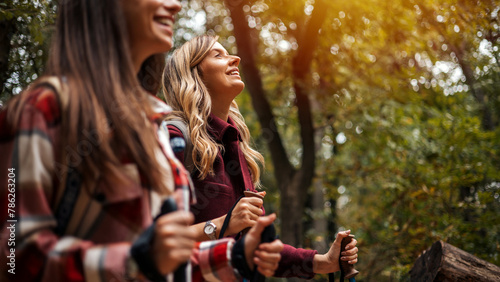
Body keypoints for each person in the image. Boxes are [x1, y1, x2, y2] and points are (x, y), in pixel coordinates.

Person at [0, 1, 284, 281]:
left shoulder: (155, 124)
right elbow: (12, 258)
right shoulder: (41, 110)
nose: (174, 5)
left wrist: (235, 258)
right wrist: (139, 259)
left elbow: (166, 261)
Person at [162, 35, 359, 279]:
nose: (236, 58)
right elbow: (150, 239)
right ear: (194, 74)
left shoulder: (237, 149)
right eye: (218, 55)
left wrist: (324, 262)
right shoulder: (173, 139)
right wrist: (222, 224)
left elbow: (259, 251)